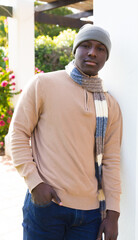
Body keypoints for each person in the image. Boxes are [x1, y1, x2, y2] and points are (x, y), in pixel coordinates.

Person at [10, 24, 122, 240]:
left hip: (90, 214)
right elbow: (18, 133)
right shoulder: (43, 84)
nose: (92, 52)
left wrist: (113, 214)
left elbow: (111, 160)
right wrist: (34, 182)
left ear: (106, 57)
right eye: (86, 45)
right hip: (47, 206)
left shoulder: (110, 104)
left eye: (100, 49)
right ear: (75, 50)